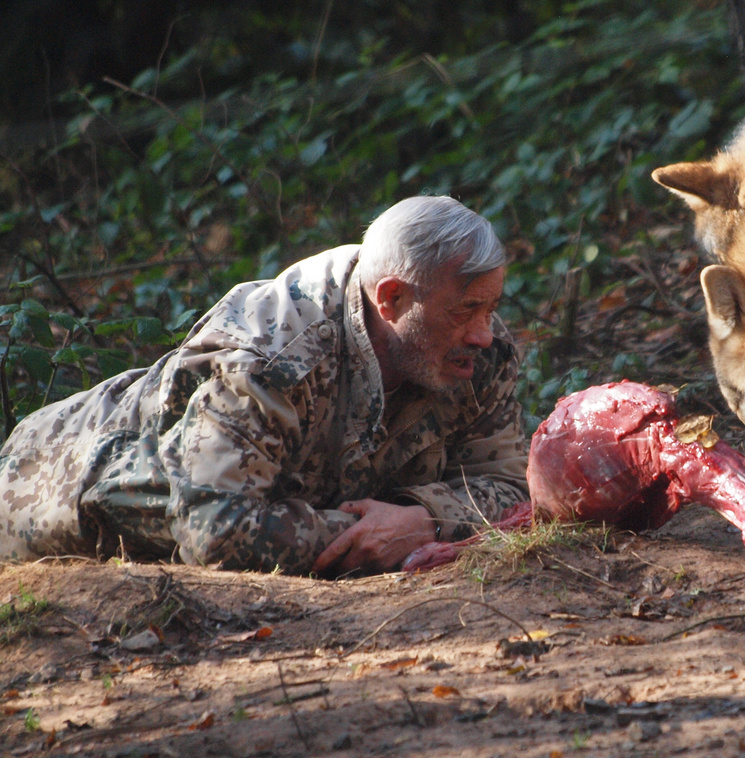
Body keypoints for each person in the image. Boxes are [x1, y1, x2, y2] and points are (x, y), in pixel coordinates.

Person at [0, 196, 528, 575]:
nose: (483, 334)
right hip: (45, 483)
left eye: (491, 307)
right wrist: (371, 536)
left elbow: (512, 488)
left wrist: (425, 520)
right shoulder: (266, 357)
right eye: (465, 311)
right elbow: (217, 531)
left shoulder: (477, 350)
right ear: (390, 299)